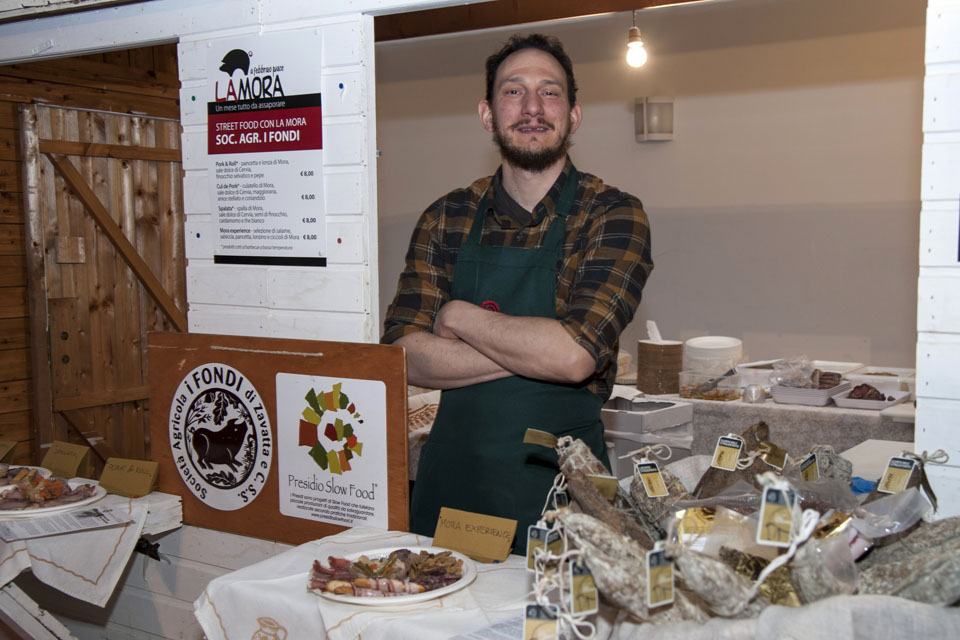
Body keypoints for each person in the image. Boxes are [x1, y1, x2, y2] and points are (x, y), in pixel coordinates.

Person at [381, 33, 653, 553]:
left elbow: (575, 358)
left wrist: (460, 318)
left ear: (573, 115)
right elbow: (403, 354)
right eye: (513, 91)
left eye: (549, 92)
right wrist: (539, 349)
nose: (532, 107)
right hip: (454, 492)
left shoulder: (613, 215)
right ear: (488, 115)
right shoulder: (446, 217)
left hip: (563, 497)